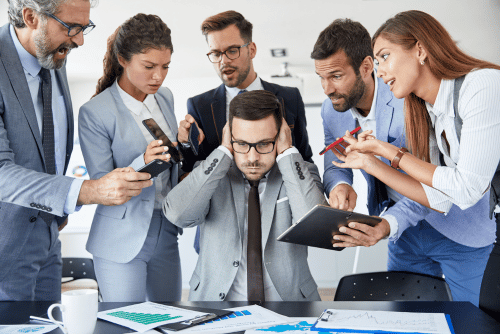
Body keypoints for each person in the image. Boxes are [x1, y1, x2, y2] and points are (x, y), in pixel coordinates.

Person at [311, 18, 496, 306]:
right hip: (404, 230)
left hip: (458, 227)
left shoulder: (409, 98)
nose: (326, 89)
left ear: (365, 67)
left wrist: (386, 222)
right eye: (320, 78)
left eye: (335, 76)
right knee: (407, 316)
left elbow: (448, 185)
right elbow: (334, 155)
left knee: (472, 318)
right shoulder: (333, 109)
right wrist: (340, 184)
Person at [0, 0, 152, 301]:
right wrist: (88, 191)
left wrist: (57, 209)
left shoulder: (54, 57)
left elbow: (48, 146)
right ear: (31, 17)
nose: (80, 40)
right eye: (71, 28)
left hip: (48, 238)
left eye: (85, 28)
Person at [164, 90, 325, 302]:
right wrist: (223, 151)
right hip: (215, 306)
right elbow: (178, 214)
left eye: (264, 144)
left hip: (290, 307)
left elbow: (316, 228)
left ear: (280, 136)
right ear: (229, 137)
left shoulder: (299, 171)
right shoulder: (212, 172)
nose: (252, 157)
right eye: (242, 144)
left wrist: (287, 152)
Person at [177, 10, 314, 253]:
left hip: (279, 226)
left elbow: (304, 159)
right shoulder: (198, 105)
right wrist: (186, 145)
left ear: (251, 50)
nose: (223, 61)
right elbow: (194, 170)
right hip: (219, 231)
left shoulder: (289, 98)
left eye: (231, 50)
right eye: (215, 53)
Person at [78, 14, 182, 302]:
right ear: (123, 59)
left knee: (170, 320)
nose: (158, 76)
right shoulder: (94, 112)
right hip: (119, 237)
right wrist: (141, 162)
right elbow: (100, 183)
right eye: (148, 66)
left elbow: (173, 164)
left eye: (165, 66)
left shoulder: (166, 98)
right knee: (125, 323)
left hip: (165, 229)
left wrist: (185, 145)